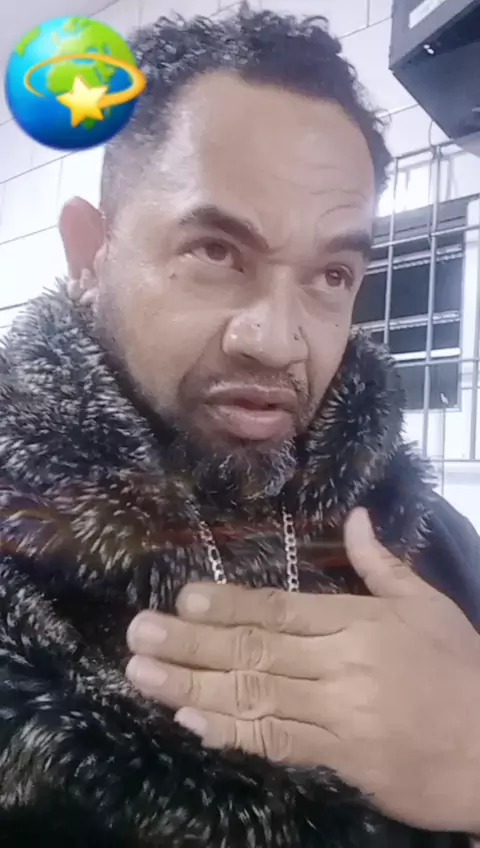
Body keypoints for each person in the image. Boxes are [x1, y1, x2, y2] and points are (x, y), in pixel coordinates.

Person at [0, 5, 479, 847]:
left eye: (331, 274)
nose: (277, 338)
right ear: (89, 252)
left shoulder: (428, 544)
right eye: (217, 252)